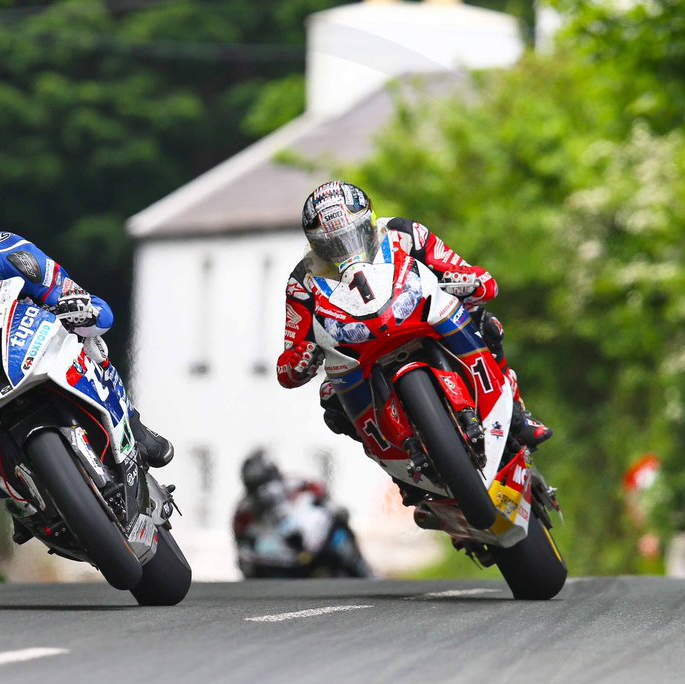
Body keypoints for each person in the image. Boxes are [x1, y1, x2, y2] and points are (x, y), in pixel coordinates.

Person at [277, 180, 551, 452]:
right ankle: (395, 463)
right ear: (315, 245)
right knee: (331, 401)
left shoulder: (405, 233)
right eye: (331, 246)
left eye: (352, 235)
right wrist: (299, 360)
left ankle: (515, 414)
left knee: (485, 322)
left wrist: (470, 280)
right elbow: (288, 362)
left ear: (369, 221)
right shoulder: (302, 281)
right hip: (357, 348)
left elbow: (467, 273)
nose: (344, 249)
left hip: (417, 314)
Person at [0, 215, 174, 468]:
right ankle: (17, 500)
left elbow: (95, 309)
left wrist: (82, 311)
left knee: (91, 340)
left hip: (34, 336)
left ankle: (131, 423)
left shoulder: (15, 255)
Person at [232, 450, 369, 579]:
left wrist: (333, 511)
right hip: (281, 558)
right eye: (257, 485)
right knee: (246, 562)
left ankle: (361, 569)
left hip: (315, 541)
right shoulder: (244, 509)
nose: (266, 491)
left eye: (267, 480)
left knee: (339, 526)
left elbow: (328, 502)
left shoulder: (299, 483)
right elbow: (241, 544)